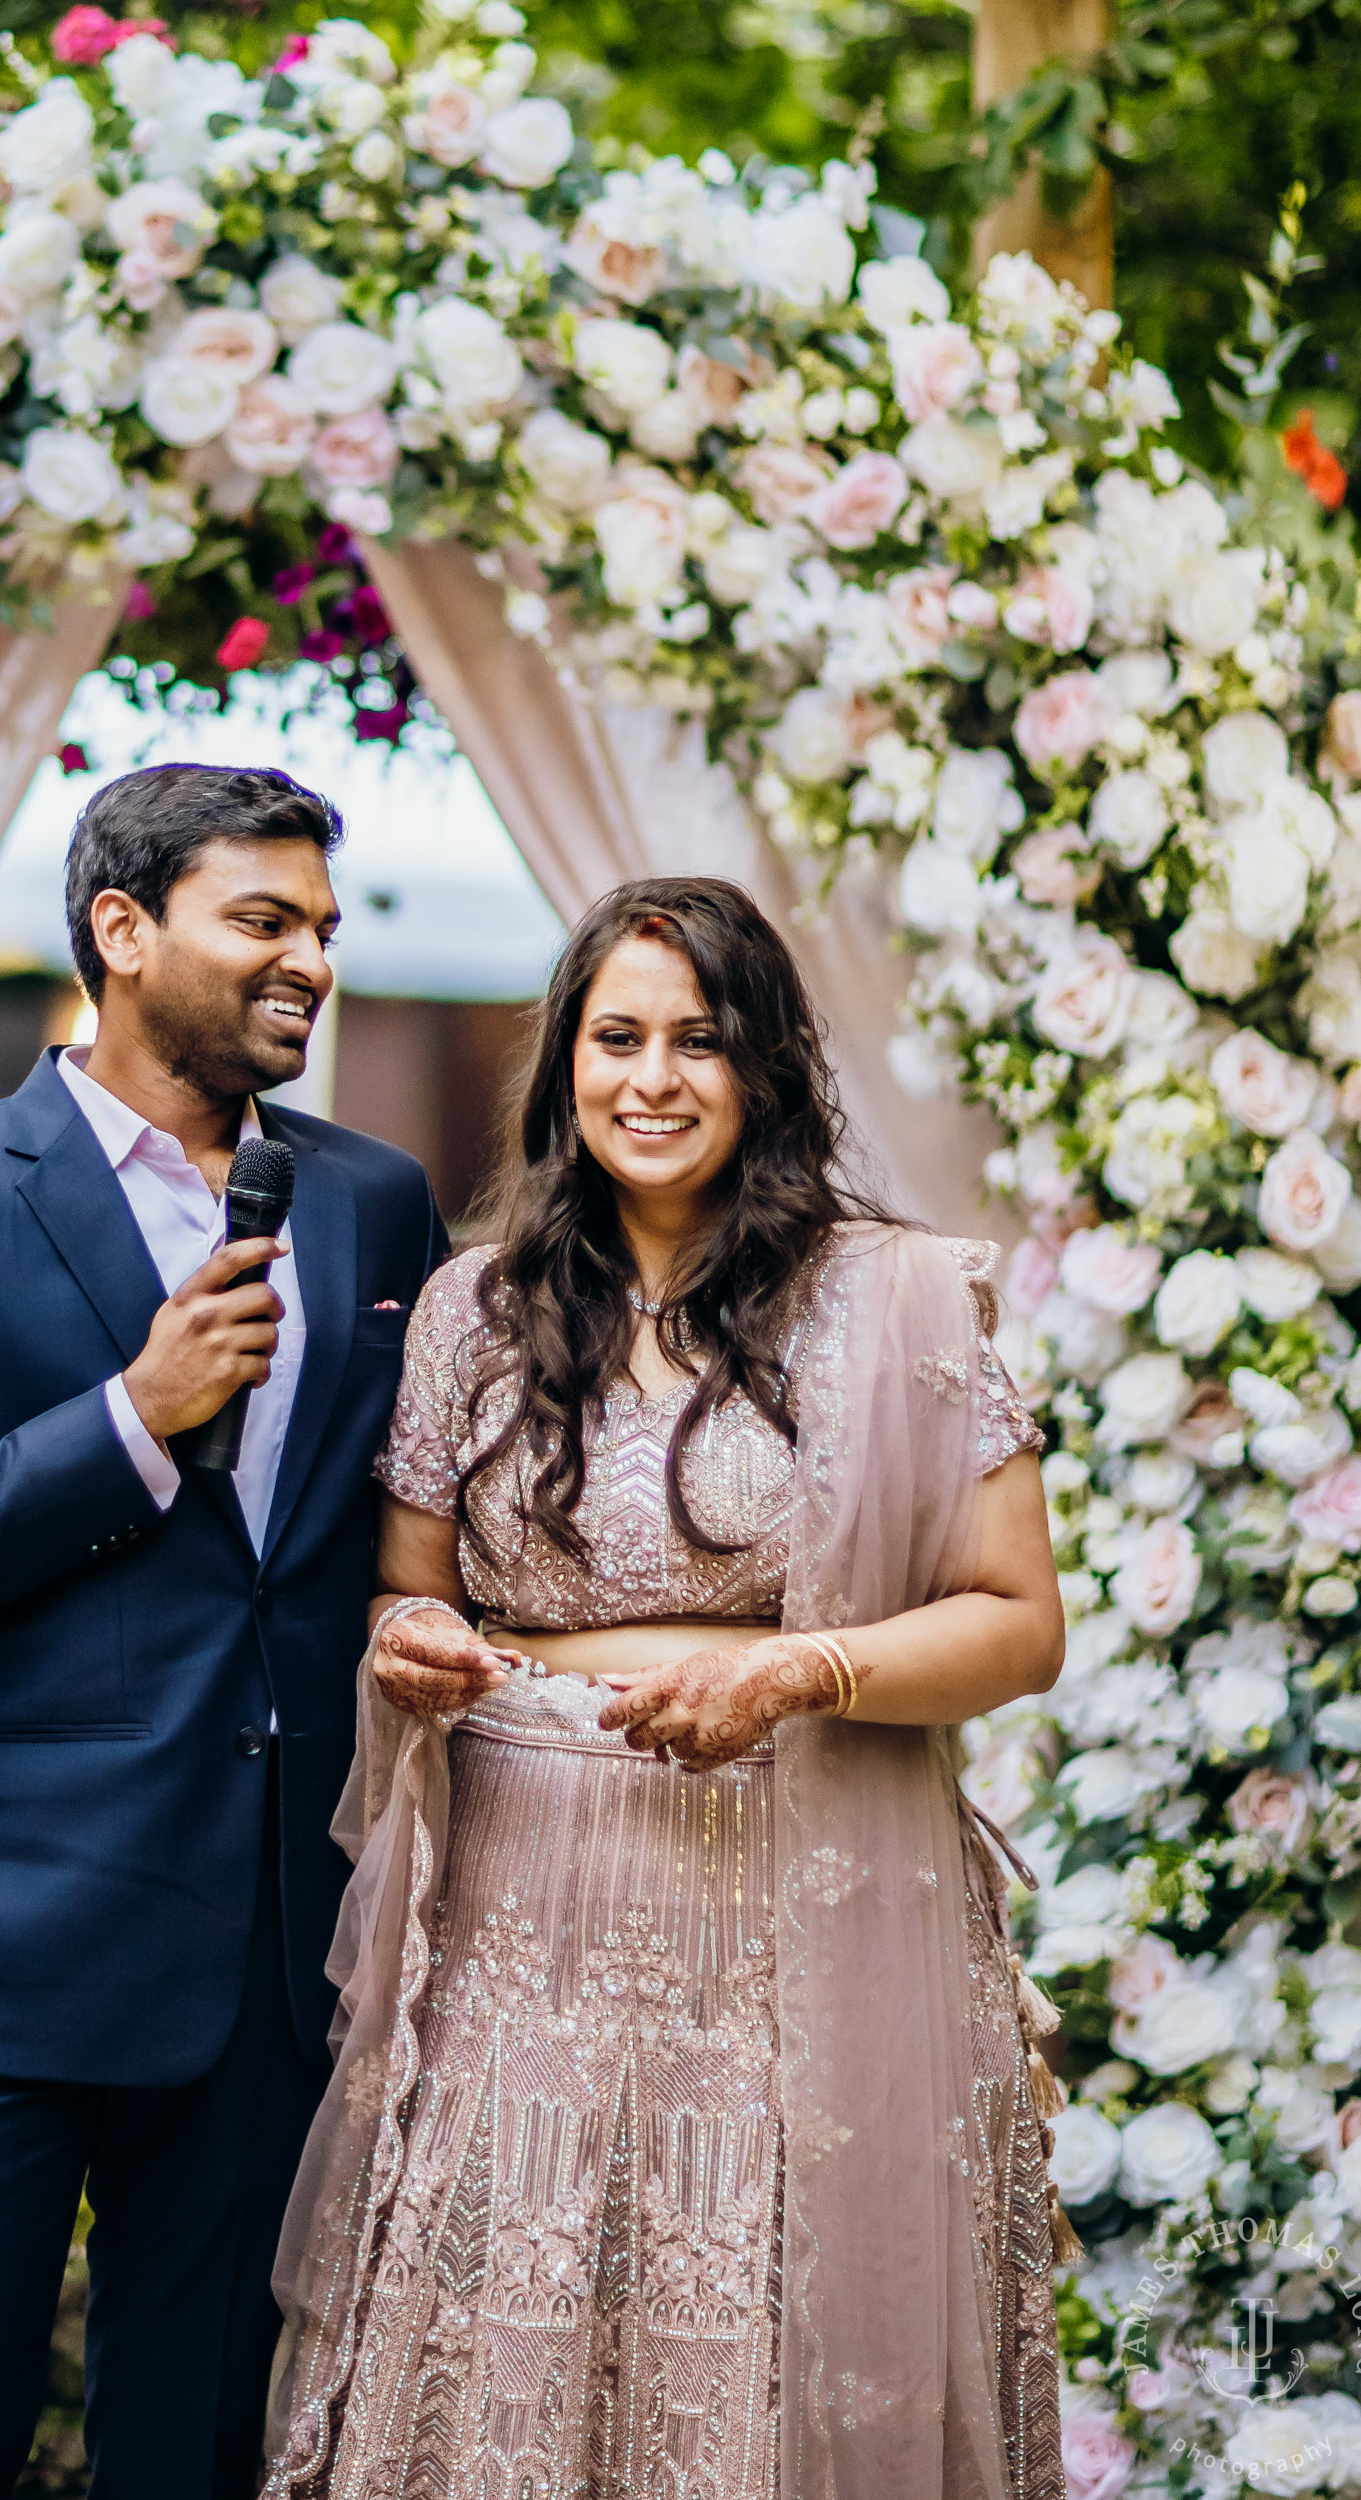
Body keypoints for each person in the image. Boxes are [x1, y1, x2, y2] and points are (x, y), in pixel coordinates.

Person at [265, 877, 1072, 2500]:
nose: (652, 1078)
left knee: (766, 2360)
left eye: (697, 1041)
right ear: (563, 1065)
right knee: (512, 2352)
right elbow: (411, 1592)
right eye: (614, 1037)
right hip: (518, 1957)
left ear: (764, 1066)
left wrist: (796, 1672)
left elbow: (1013, 1624)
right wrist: (403, 1647)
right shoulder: (471, 1315)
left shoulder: (894, 1303)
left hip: (796, 1944)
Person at [0, 763, 451, 2499]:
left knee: (198, 2443)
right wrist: (126, 1422)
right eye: (261, 921)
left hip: (267, 1938)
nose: (308, 960)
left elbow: (415, 1512)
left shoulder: (374, 1201)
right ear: (121, 930)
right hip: (5, 1937)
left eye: (321, 926)